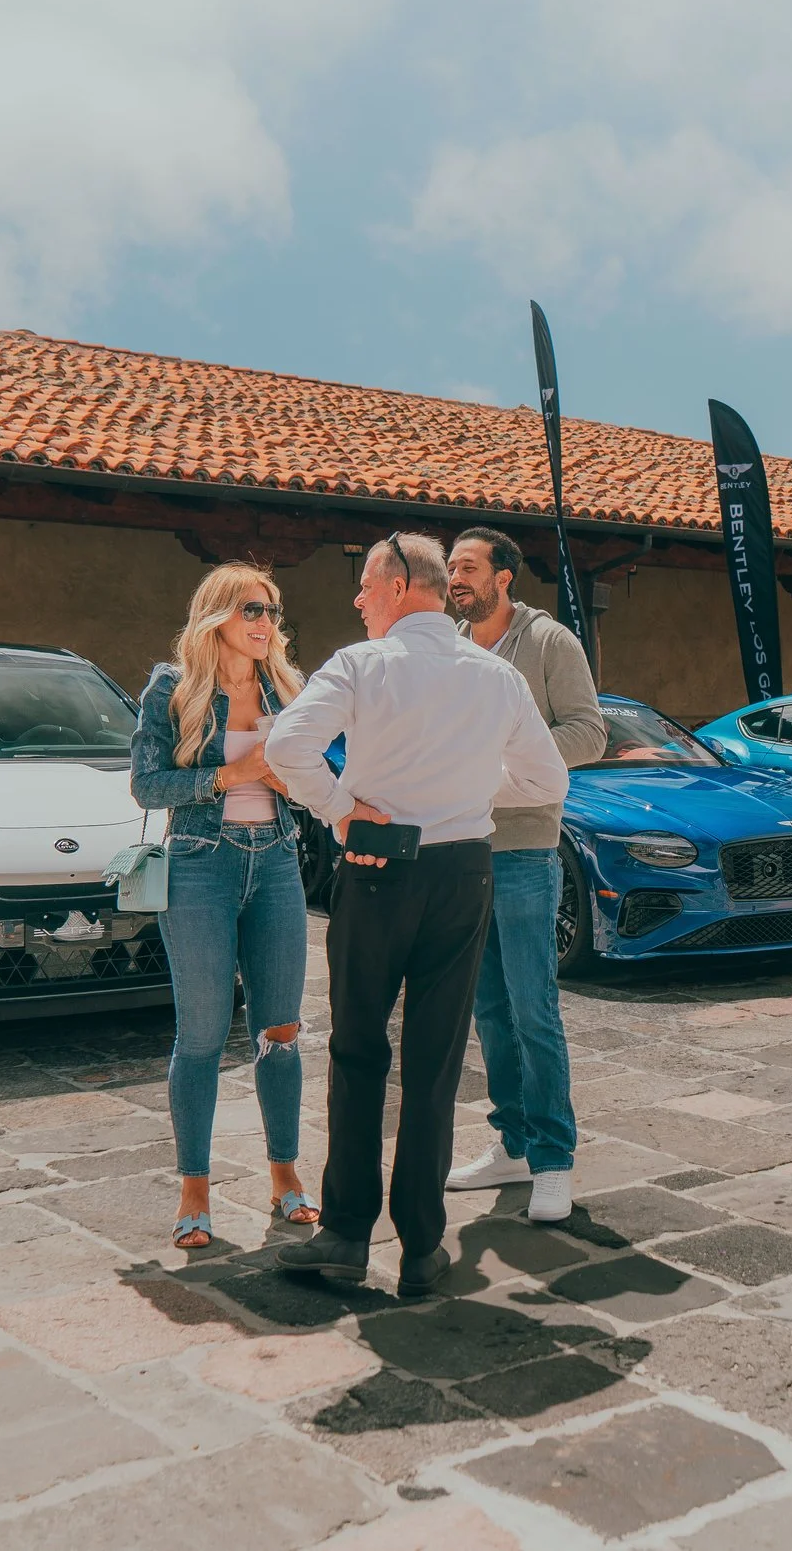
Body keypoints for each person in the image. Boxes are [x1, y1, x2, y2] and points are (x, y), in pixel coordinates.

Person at [265, 533, 568, 1297]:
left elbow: (287, 746)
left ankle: (343, 1234)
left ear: (400, 586)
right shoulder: (494, 676)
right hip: (465, 870)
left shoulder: (362, 664)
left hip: (378, 867)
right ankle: (425, 1250)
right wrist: (466, 787)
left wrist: (343, 812)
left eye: (365, 585)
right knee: (435, 1061)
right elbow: (548, 775)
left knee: (359, 1050)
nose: (357, 600)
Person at [130, 563, 318, 1250]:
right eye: (251, 609)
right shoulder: (173, 687)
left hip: (276, 861)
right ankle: (195, 1190)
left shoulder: (288, 690)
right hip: (201, 868)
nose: (266, 623)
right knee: (203, 1035)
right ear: (217, 616)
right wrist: (231, 774)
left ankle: (286, 1177)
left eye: (272, 611)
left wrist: (293, 777)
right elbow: (147, 785)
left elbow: (310, 782)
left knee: (282, 1031)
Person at [441, 528, 606, 1224]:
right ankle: (511, 1142)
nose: (455, 577)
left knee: (534, 1006)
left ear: (504, 577)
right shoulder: (449, 644)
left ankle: (553, 1160)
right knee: (488, 1008)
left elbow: (588, 733)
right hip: (459, 847)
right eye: (451, 567)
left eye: (468, 567)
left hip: (525, 848)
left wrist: (501, 770)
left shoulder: (549, 644)